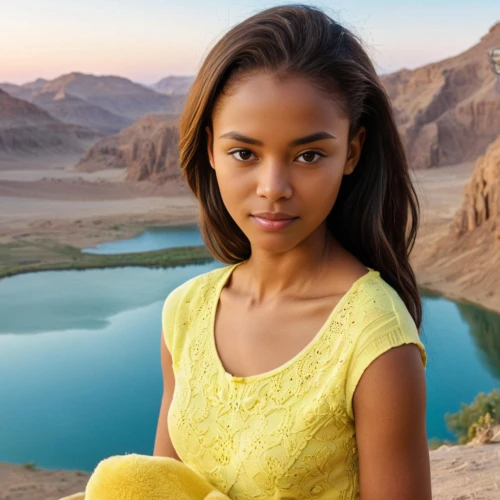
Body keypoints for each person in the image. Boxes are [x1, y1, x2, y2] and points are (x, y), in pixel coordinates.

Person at [154, 4, 432, 500]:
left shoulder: (376, 343)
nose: (273, 187)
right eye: (245, 153)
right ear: (210, 149)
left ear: (351, 152)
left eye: (309, 155)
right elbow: (159, 487)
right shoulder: (186, 312)